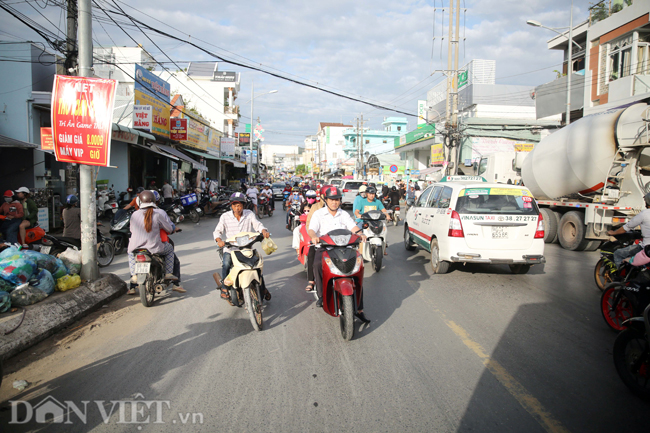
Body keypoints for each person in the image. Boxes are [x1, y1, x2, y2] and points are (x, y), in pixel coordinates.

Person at [308, 186, 367, 321]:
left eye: (337, 199)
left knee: (358, 269)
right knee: (317, 264)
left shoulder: (344, 214)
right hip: (325, 248)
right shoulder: (319, 214)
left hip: (345, 247)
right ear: (326, 200)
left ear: (340, 200)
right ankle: (322, 295)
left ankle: (360, 308)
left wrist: (360, 234)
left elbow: (353, 227)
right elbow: (312, 229)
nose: (334, 202)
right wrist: (313, 237)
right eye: (331, 199)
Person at [213, 192, 271, 303]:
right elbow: (217, 231)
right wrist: (219, 240)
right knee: (226, 264)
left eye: (239, 205)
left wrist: (263, 230)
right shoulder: (225, 217)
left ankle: (263, 289)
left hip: (247, 249)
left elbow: (257, 224)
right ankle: (225, 289)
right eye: (234, 205)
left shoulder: (249, 214)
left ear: (243, 205)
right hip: (231, 249)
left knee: (256, 266)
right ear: (231, 206)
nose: (237, 208)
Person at [127, 190, 183, 293]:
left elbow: (131, 230)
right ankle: (168, 274)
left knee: (131, 254)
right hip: (154, 247)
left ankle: (134, 276)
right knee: (170, 249)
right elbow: (169, 229)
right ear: (155, 201)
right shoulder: (158, 214)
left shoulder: (134, 214)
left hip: (135, 247)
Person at [608, 192, 650, 267]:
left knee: (618, 253)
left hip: (646, 248)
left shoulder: (644, 214)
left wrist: (613, 233)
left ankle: (620, 277)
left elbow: (626, 227)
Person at [353, 186, 391, 255]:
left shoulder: (378, 202)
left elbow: (384, 210)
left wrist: (387, 215)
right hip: (364, 221)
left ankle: (384, 247)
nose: (371, 195)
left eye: (373, 194)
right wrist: (358, 215)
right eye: (370, 194)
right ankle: (359, 247)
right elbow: (356, 211)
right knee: (358, 231)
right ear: (367, 194)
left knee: (384, 229)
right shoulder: (362, 201)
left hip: (376, 221)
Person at [292, 200, 315, 292]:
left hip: (312, 229)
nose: (306, 212)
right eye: (305, 211)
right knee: (296, 231)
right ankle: (298, 249)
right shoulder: (300, 214)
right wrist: (297, 217)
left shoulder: (316, 215)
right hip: (303, 227)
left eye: (308, 211)